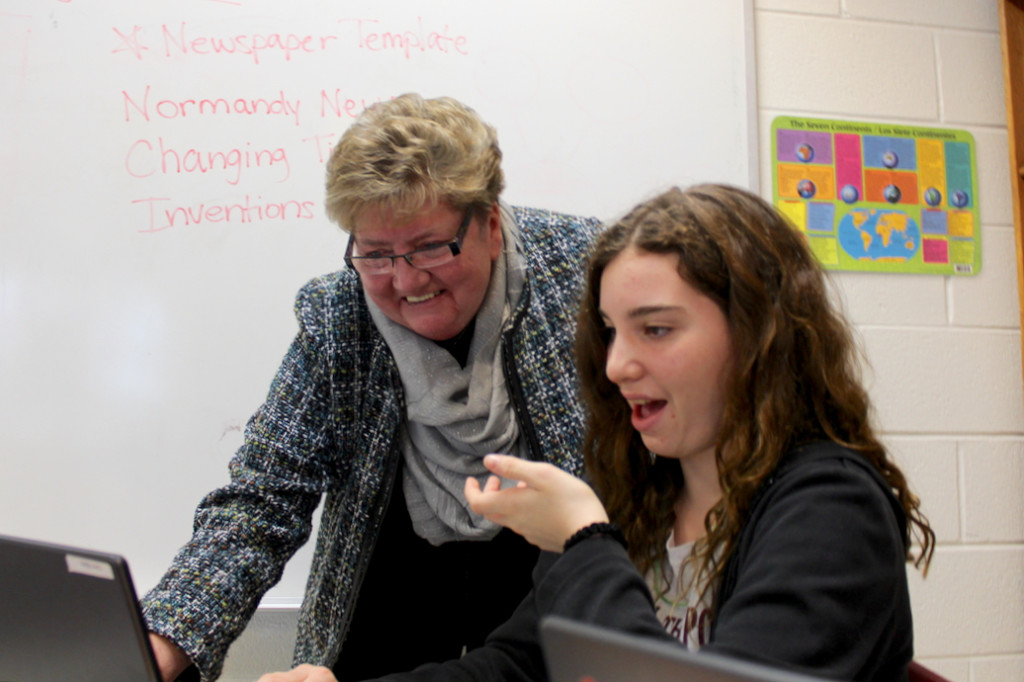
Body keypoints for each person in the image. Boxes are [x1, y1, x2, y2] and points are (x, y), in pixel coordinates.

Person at [259, 183, 935, 682]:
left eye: (657, 329)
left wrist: (584, 540)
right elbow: (519, 665)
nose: (617, 365)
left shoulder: (829, 509)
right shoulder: (637, 490)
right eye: (610, 332)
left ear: (758, 336)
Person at [141, 93, 603, 682]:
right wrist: (163, 637)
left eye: (430, 247)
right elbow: (262, 497)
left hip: (547, 607)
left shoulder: (583, 273)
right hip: (389, 604)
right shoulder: (340, 315)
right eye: (377, 254)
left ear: (488, 224)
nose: (406, 280)